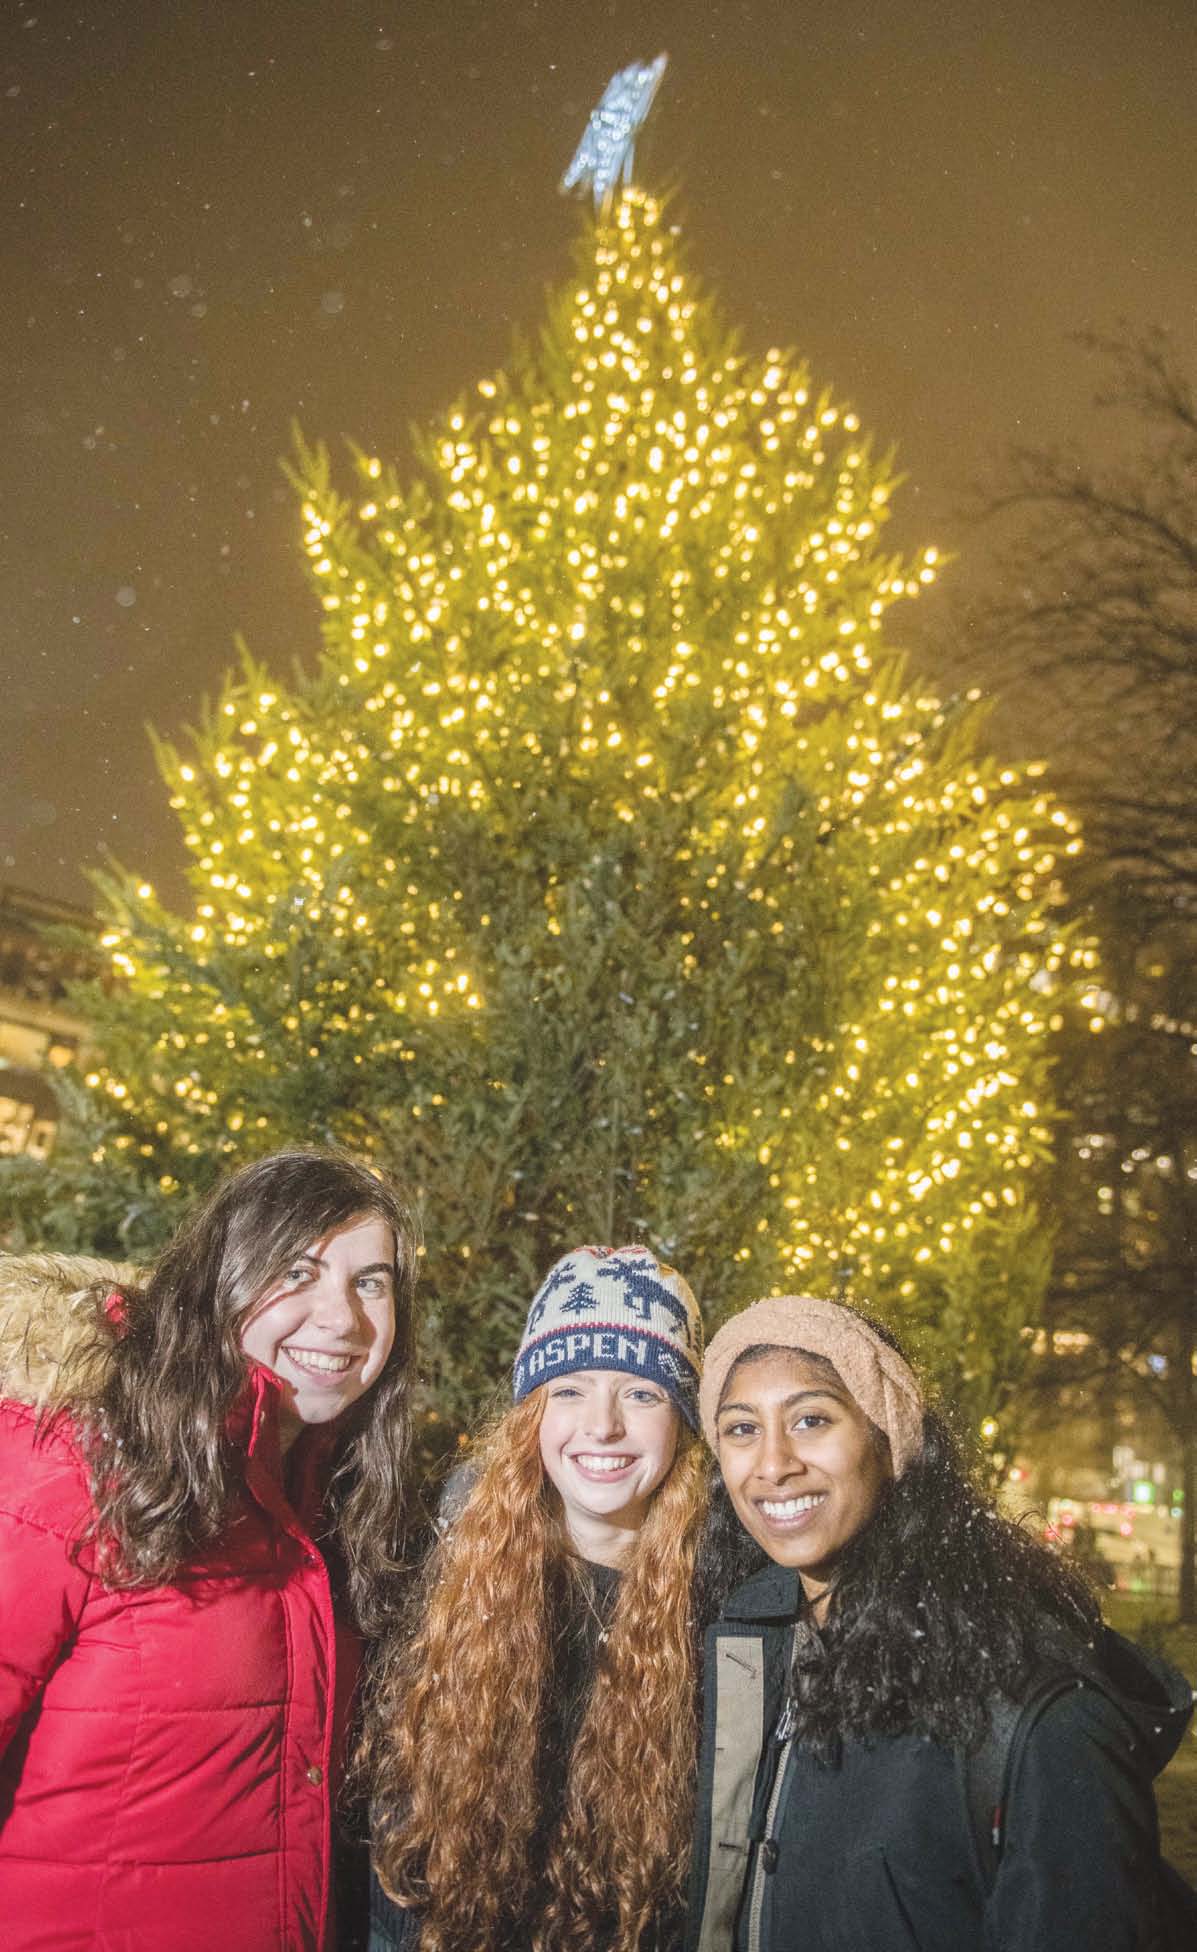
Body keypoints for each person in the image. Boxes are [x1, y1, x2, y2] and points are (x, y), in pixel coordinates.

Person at [0, 1147, 418, 1952]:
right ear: (219, 1278)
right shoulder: (69, 1459)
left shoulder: (331, 1502)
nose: (342, 1317)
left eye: (371, 1281)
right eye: (297, 1271)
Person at [685, 1294, 1194, 1952]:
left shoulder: (1029, 1707)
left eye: (810, 1420)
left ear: (889, 1437)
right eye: (740, 1429)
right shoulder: (745, 1651)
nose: (773, 1462)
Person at [366, 1244, 708, 1952]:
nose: (603, 1425)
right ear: (534, 1415)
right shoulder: (456, 1569)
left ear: (682, 1422)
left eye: (641, 1393)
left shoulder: (722, 1605)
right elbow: (399, 1859)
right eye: (571, 1389)